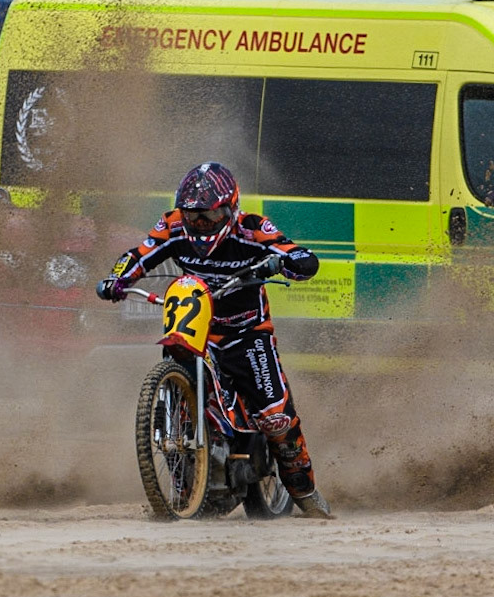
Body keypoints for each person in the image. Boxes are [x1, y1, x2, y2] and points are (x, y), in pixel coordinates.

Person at [95, 161, 333, 518]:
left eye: (210, 215)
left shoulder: (252, 229)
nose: (200, 223)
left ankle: (306, 492)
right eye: (193, 216)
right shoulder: (173, 226)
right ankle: (188, 485)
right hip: (197, 329)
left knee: (275, 418)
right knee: (177, 391)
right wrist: (117, 279)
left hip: (247, 332)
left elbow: (298, 256)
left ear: (230, 208)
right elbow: (138, 255)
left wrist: (284, 264)